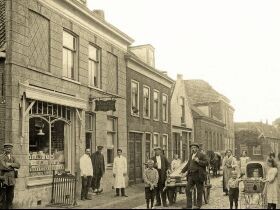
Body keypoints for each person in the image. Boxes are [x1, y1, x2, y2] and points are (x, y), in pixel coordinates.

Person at [181, 143, 208, 209]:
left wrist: (198, 161)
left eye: (194, 148)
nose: (193, 149)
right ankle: (189, 205)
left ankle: (198, 206)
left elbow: (207, 162)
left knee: (199, 190)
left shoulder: (201, 155)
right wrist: (182, 171)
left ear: (197, 148)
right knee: (187, 189)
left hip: (199, 175)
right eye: (192, 148)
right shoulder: (191, 155)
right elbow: (188, 164)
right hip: (191, 175)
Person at [0, 143, 20, 209]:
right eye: (7, 148)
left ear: (11, 149)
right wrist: (12, 167)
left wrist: (10, 164)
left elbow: (18, 165)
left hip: (12, 179)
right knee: (3, 196)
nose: (8, 149)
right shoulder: (1, 157)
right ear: (4, 149)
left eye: (9, 148)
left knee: (11, 196)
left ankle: (10, 208)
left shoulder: (13, 157)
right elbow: (3, 167)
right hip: (4, 179)